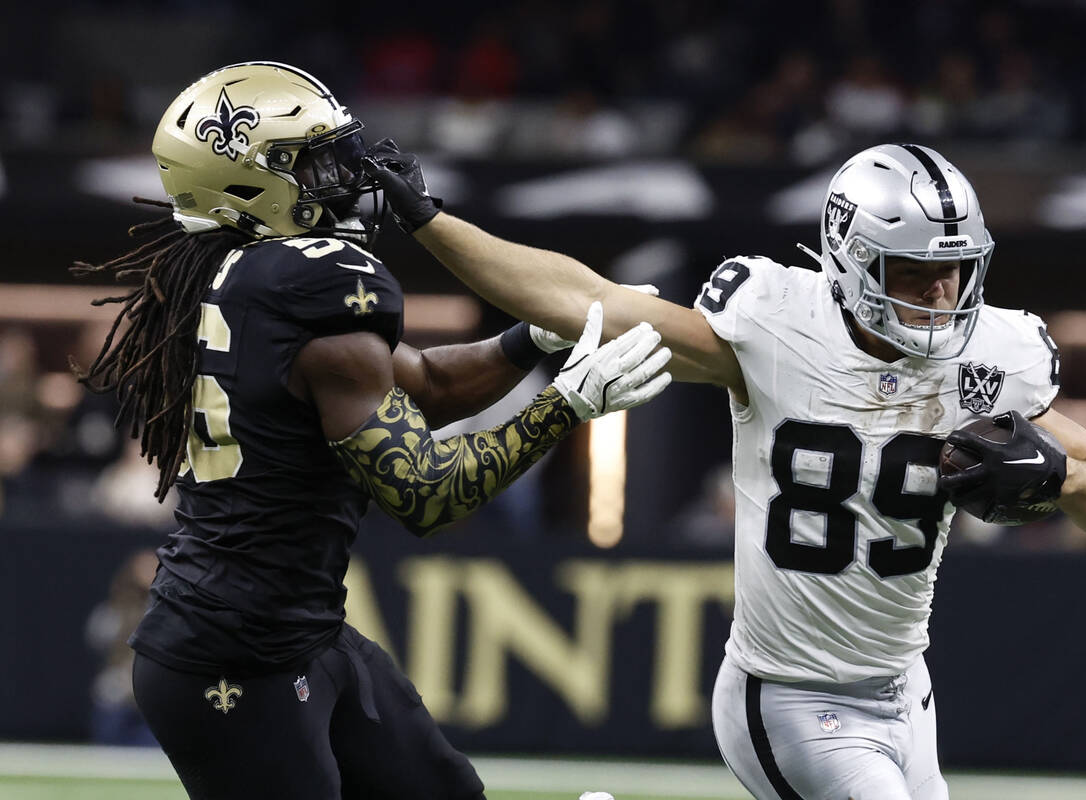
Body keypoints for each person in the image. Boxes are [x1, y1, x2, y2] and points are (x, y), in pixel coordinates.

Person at [366, 142, 1086, 800]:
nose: (941, 295)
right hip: (790, 693)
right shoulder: (775, 325)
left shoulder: (989, 361)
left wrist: (1054, 478)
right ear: (852, 261)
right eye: (912, 272)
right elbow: (585, 301)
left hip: (906, 689)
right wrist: (431, 223)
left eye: (955, 270)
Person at [72, 61, 671, 800]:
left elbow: (426, 382)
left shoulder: (234, 271)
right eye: (312, 161)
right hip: (233, 661)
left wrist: (540, 339)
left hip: (291, 631)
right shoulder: (313, 289)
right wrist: (567, 405)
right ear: (248, 183)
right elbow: (428, 497)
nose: (346, 176)